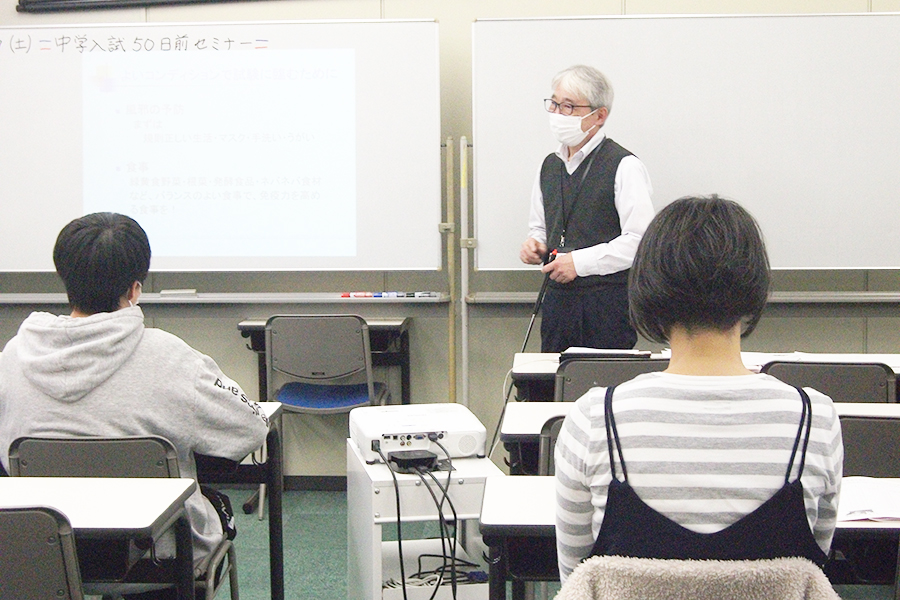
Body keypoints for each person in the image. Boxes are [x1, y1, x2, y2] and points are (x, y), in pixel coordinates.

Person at [553, 196, 843, 582]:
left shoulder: (594, 418)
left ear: (646, 287)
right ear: (755, 288)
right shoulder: (815, 419)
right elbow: (812, 573)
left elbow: (577, 578)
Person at [0, 212, 270, 587]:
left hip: (40, 551)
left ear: (65, 279)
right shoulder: (168, 355)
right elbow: (249, 428)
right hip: (157, 556)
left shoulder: (14, 355)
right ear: (135, 289)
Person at [520, 65, 655, 353]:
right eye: (554, 104)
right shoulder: (549, 166)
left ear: (599, 115)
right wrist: (535, 245)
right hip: (557, 305)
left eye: (568, 106)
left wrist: (579, 264)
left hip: (606, 307)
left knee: (601, 388)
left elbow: (640, 241)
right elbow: (541, 227)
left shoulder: (624, 166)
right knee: (553, 390)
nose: (557, 114)